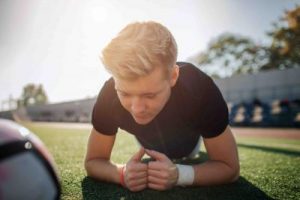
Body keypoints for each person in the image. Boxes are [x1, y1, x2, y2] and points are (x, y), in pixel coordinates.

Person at [85, 21, 239, 192]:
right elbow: (93, 161)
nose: (136, 109)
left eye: (149, 95)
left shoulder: (200, 89)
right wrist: (121, 173)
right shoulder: (109, 94)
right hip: (147, 145)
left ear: (173, 76)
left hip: (190, 146)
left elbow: (230, 168)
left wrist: (180, 174)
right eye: (125, 93)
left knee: (192, 154)